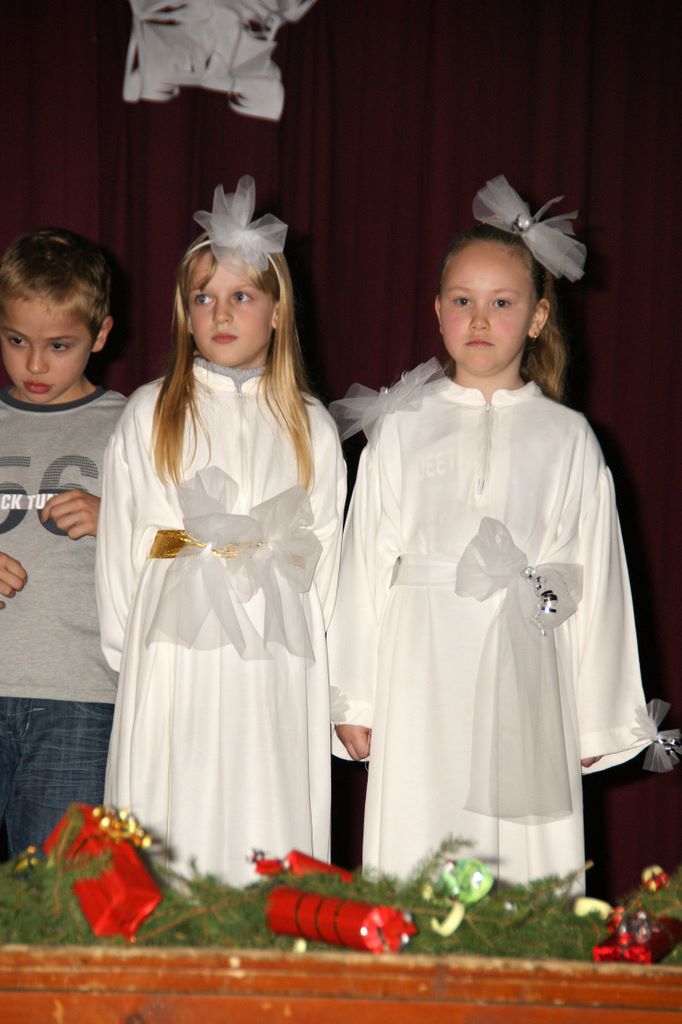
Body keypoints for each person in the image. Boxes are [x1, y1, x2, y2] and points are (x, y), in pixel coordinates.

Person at [328, 175, 650, 887]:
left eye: (501, 303)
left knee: (520, 851)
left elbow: (595, 577)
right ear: (438, 312)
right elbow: (364, 563)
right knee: (421, 833)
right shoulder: (402, 428)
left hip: (527, 668)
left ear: (537, 317)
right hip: (419, 669)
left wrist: (596, 718)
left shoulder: (568, 437)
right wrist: (354, 696)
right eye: (463, 301)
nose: (480, 319)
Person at [96, 176, 346, 886]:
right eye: (204, 298)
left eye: (242, 296)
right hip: (174, 651)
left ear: (277, 311)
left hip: (276, 654)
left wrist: (320, 666)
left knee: (266, 799)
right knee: (174, 807)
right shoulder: (151, 412)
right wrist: (131, 652)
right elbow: (122, 547)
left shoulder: (311, 426)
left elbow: (326, 556)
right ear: (185, 315)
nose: (222, 313)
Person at [0, 227, 125, 857]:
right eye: (16, 340)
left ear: (100, 335)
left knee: (58, 895)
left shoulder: (133, 425)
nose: (34, 365)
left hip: (82, 700)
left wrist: (118, 520)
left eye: (58, 345)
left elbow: (185, 546)